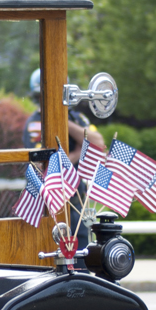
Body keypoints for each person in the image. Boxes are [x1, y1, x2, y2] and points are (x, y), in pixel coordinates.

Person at [23, 68, 104, 249]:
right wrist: (77, 153)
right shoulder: (35, 123)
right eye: (43, 97)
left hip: (76, 204)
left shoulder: (77, 118)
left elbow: (98, 143)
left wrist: (61, 120)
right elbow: (43, 164)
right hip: (49, 205)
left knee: (82, 260)